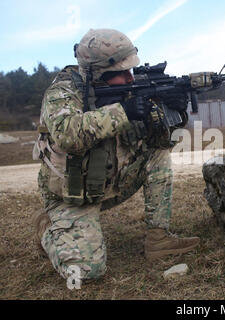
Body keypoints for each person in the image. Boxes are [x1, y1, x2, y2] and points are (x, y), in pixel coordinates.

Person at [32, 28, 200, 281]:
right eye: (121, 73)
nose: (130, 79)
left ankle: (158, 239)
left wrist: (175, 114)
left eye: (130, 70)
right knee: (88, 272)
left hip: (109, 183)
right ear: (96, 73)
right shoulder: (63, 92)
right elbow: (68, 134)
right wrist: (124, 112)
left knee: (158, 154)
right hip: (71, 196)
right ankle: (48, 227)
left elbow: (160, 141)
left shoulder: (127, 91)